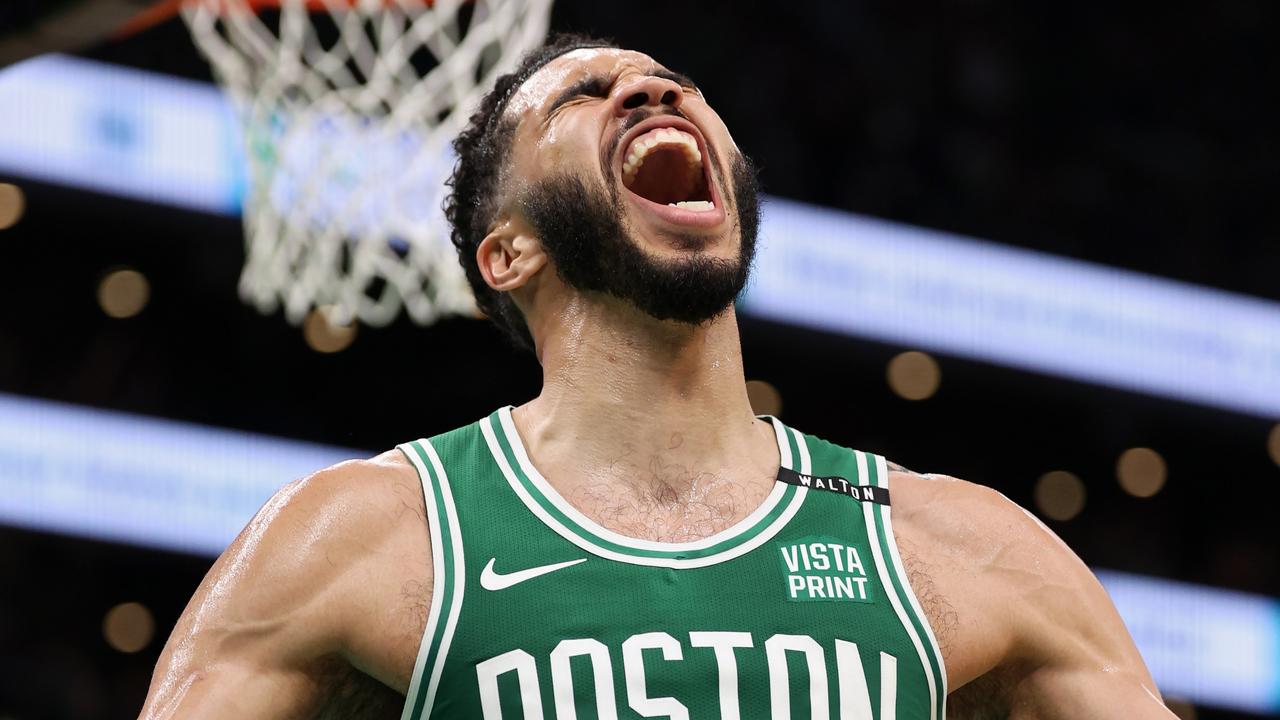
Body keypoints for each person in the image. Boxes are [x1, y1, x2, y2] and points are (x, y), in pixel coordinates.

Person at [139, 34, 1175, 719]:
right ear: (506, 253)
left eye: (674, 84)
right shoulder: (364, 534)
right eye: (583, 97)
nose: (650, 86)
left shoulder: (955, 544)